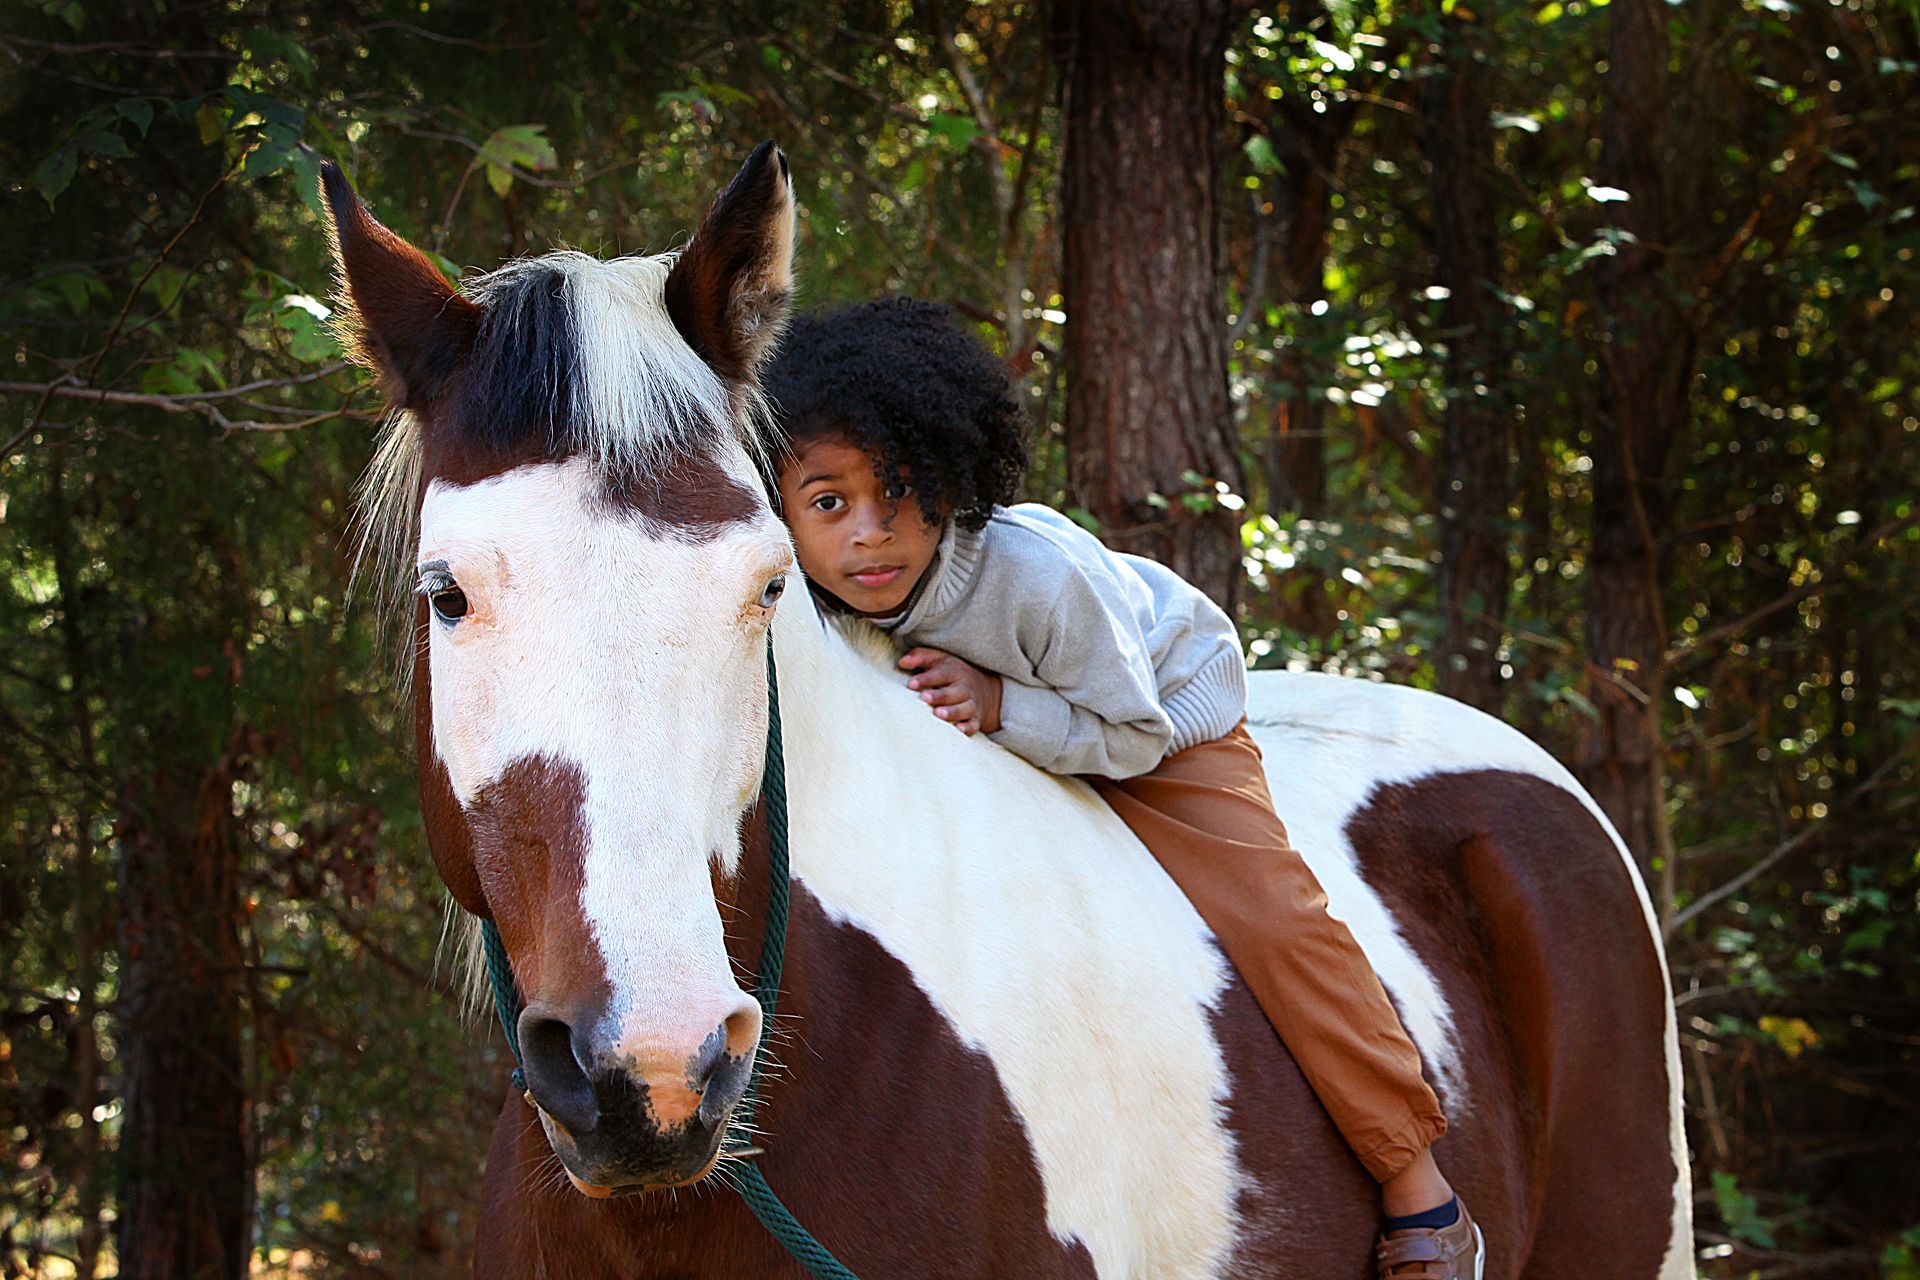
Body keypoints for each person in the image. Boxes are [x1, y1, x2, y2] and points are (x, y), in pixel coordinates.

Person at [762, 298, 1483, 1280]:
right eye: (830, 503)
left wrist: (1003, 704)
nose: (871, 537)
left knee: (1274, 916)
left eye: (902, 493)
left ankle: (1416, 1181)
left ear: (951, 478)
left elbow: (1133, 729)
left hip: (1157, 724)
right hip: (1017, 728)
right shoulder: (807, 604)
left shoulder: (1034, 576)